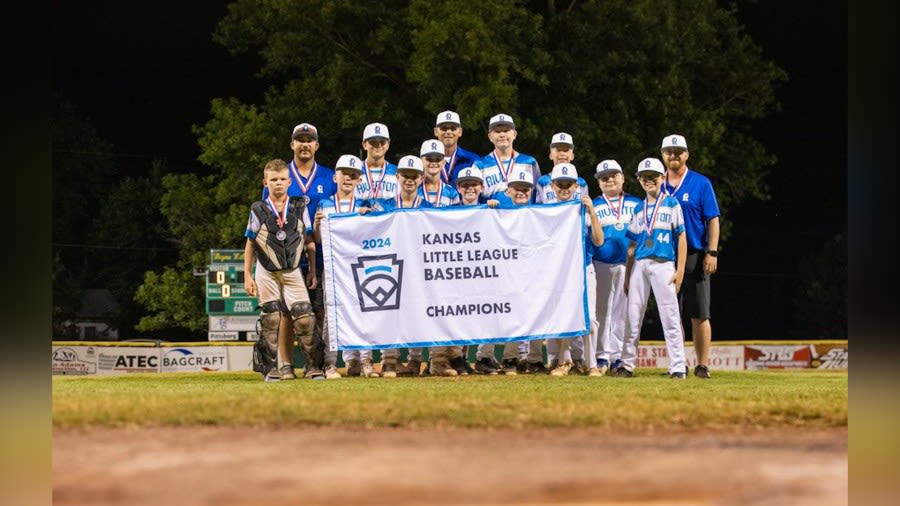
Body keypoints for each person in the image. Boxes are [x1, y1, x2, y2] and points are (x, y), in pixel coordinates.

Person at [263, 123, 337, 379]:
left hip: (320, 256)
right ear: (292, 144)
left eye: (309, 140)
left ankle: (315, 363)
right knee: (285, 313)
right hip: (286, 259)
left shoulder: (329, 177)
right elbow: (266, 219)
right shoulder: (280, 176)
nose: (305, 144)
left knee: (317, 313)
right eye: (300, 140)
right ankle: (285, 364)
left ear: (316, 145)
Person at [243, 159, 322, 381]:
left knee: (305, 317)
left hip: (292, 270)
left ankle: (313, 367)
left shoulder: (299, 207)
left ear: (289, 182)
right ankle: (271, 368)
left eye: (282, 179)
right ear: (265, 183)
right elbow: (250, 242)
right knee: (271, 318)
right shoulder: (258, 209)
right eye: (273, 180)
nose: (278, 183)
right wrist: (247, 274)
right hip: (266, 270)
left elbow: (309, 242)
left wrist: (312, 271)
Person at [617, 158, 687, 379]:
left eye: (653, 177)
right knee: (633, 315)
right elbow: (632, 246)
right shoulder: (638, 208)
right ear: (639, 180)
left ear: (662, 178)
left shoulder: (672, 204)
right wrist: (628, 276)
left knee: (670, 315)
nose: (649, 181)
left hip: (664, 264)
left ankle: (677, 366)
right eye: (644, 177)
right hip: (640, 265)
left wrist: (680, 270)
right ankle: (626, 364)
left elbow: (682, 238)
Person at [659, 134, 720, 379]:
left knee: (699, 312)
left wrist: (712, 251)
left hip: (695, 254)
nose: (673, 156)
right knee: (672, 313)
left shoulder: (700, 183)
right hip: (665, 256)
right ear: (662, 155)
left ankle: (702, 364)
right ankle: (678, 364)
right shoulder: (656, 183)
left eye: (678, 151)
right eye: (669, 152)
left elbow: (713, 219)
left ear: (687, 154)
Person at [472, 169, 543, 375]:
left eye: (525, 189)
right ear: (508, 189)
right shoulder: (498, 207)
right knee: (494, 311)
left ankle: (511, 358)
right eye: (516, 188)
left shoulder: (536, 212)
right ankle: (483, 356)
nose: (521, 192)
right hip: (499, 268)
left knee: (521, 312)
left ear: (531, 191)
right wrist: (489, 210)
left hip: (525, 269)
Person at [342, 122, 399, 378]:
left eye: (381, 142)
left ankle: (388, 358)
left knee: (390, 301)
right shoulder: (354, 172)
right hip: (357, 244)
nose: (377, 146)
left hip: (389, 243)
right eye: (372, 142)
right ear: (364, 144)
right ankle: (353, 358)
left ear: (387, 144)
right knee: (356, 301)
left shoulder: (397, 173)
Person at [370, 155, 434, 378]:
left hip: (418, 267)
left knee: (418, 312)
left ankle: (415, 359)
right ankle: (389, 359)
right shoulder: (384, 205)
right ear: (397, 177)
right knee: (390, 312)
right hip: (391, 265)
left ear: (421, 178)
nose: (409, 179)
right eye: (405, 175)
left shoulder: (429, 207)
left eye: (414, 176)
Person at [313, 154, 374, 379]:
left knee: (363, 312)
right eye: (344, 173)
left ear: (359, 180)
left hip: (359, 267)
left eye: (354, 175)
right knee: (331, 316)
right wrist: (318, 225)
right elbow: (318, 240)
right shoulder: (326, 204)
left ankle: (366, 360)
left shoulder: (364, 205)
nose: (348, 178)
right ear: (335, 176)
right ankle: (330, 363)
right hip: (333, 268)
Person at [543, 163, 605, 378]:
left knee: (590, 318)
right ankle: (564, 361)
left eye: (568, 184)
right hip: (560, 271)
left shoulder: (583, 209)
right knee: (563, 317)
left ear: (576, 185)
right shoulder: (547, 210)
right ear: (552, 185)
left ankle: (591, 363)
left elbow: (598, 241)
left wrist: (593, 213)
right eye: (560, 184)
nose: (564, 188)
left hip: (584, 268)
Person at [415, 140, 462, 376]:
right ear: (422, 160)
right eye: (429, 159)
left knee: (443, 307)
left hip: (444, 257)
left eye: (437, 159)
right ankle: (417, 360)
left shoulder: (452, 192)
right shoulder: (413, 189)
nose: (433, 163)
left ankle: (439, 360)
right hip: (417, 255)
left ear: (443, 162)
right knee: (418, 308)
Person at [591, 160, 641, 375]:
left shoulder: (637, 203)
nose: (609, 180)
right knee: (601, 312)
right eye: (604, 177)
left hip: (629, 265)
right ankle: (601, 356)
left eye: (613, 175)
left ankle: (618, 356)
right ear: (599, 183)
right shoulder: (594, 204)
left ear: (622, 178)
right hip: (602, 263)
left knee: (624, 313)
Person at [478, 113, 542, 202]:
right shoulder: (480, 165)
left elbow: (539, 196)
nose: (502, 135)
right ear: (490, 137)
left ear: (514, 134)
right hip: (492, 215)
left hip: (523, 214)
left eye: (506, 130)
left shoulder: (529, 162)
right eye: (497, 131)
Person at [534, 132, 589, 204]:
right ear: (550, 155)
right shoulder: (542, 181)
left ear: (572, 156)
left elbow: (585, 211)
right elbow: (537, 209)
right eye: (558, 150)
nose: (562, 153)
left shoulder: (581, 183)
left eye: (566, 150)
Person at [433, 110, 481, 187]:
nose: (448, 132)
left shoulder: (472, 160)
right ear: (435, 131)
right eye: (444, 128)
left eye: (453, 128)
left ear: (460, 132)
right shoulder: (427, 162)